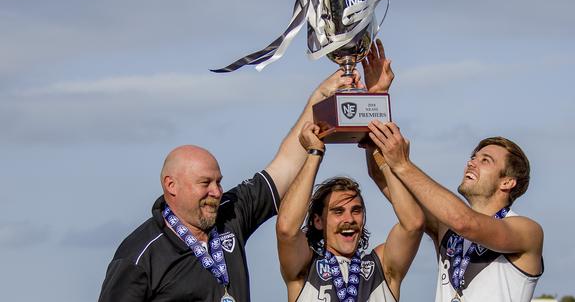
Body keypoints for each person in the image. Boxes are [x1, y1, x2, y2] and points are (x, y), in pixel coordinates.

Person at [98, 70, 361, 302]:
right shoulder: (140, 255)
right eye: (205, 183)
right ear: (171, 185)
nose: (216, 191)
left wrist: (320, 96)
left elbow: (285, 166)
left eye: (218, 181)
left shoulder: (229, 213)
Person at [367, 122, 544, 302]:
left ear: (507, 182)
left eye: (485, 160)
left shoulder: (528, 231)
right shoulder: (445, 226)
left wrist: (403, 165)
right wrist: (372, 131)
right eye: (473, 157)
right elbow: (383, 177)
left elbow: (464, 222)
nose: (471, 163)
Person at [276, 121, 424, 302]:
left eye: (356, 210)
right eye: (338, 212)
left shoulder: (382, 267)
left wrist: (384, 162)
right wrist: (314, 153)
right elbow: (286, 229)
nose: (349, 219)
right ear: (318, 221)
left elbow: (413, 224)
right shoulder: (305, 268)